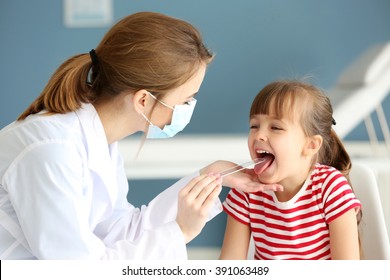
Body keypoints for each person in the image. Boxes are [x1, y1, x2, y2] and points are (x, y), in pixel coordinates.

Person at [0, 12, 281, 260]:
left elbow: (120, 232)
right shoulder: (51, 151)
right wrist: (180, 231)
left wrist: (209, 176)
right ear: (143, 101)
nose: (189, 108)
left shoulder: (99, 141)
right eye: (186, 100)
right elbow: (81, 268)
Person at [220, 80, 362, 260]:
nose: (259, 135)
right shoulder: (246, 191)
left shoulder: (331, 188)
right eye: (254, 126)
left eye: (276, 127)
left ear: (310, 145)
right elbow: (228, 267)